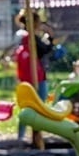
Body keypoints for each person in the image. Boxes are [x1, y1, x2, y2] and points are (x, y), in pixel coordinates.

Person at [13, 9, 54, 140]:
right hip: (36, 76)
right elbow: (45, 50)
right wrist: (50, 37)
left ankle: (21, 137)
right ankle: (37, 135)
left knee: (27, 107)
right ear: (34, 22)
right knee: (39, 106)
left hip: (24, 78)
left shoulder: (21, 36)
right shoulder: (30, 38)